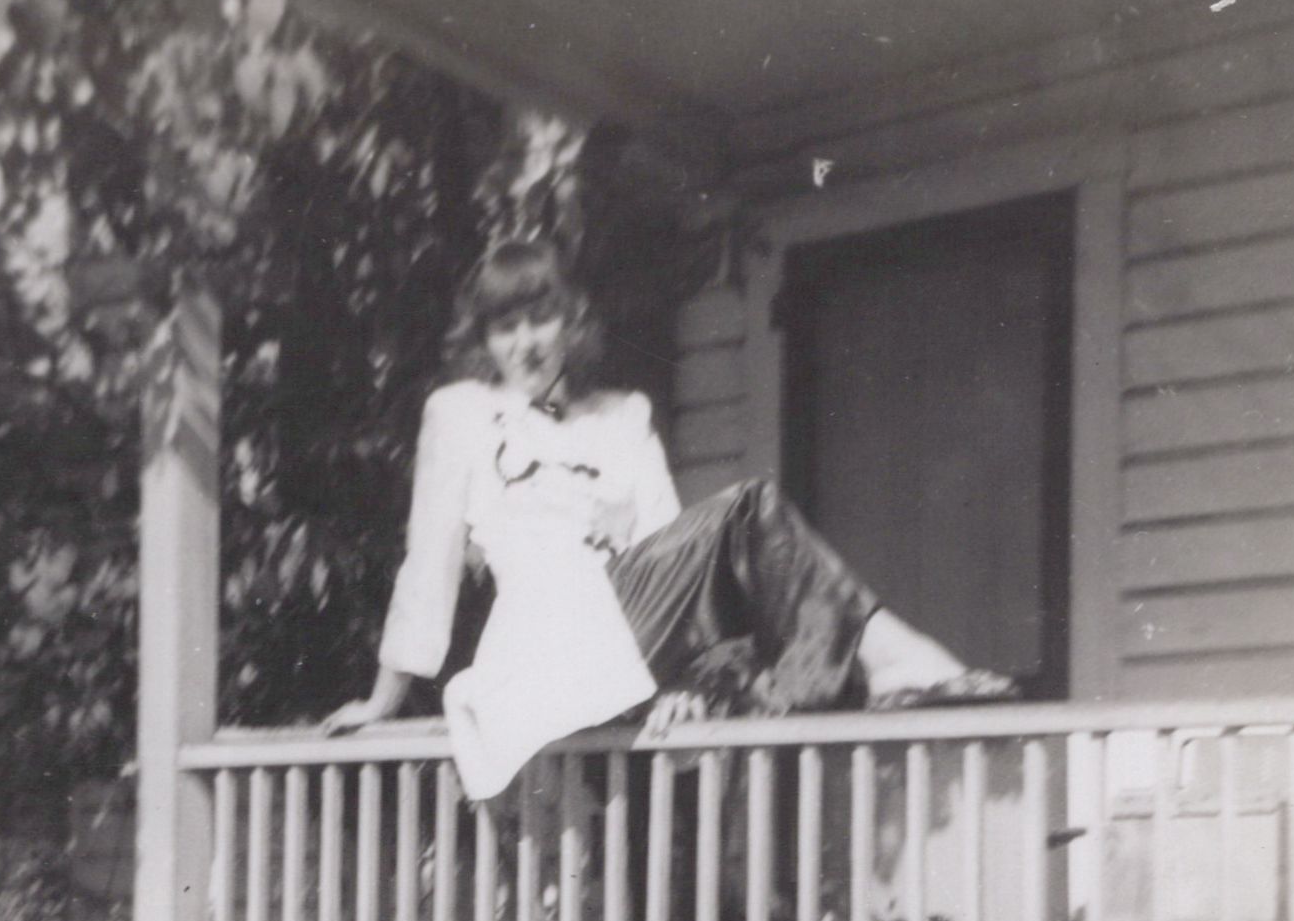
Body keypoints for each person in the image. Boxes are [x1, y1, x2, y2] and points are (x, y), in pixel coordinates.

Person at [323, 234, 1016, 797]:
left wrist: (685, 679)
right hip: (540, 647)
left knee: (747, 528)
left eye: (540, 318)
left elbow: (675, 561)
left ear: (571, 321)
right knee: (749, 508)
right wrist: (383, 700)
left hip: (623, 632)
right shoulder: (460, 414)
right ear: (484, 340)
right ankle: (890, 659)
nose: (526, 342)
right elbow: (429, 564)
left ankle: (878, 662)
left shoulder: (623, 417)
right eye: (506, 327)